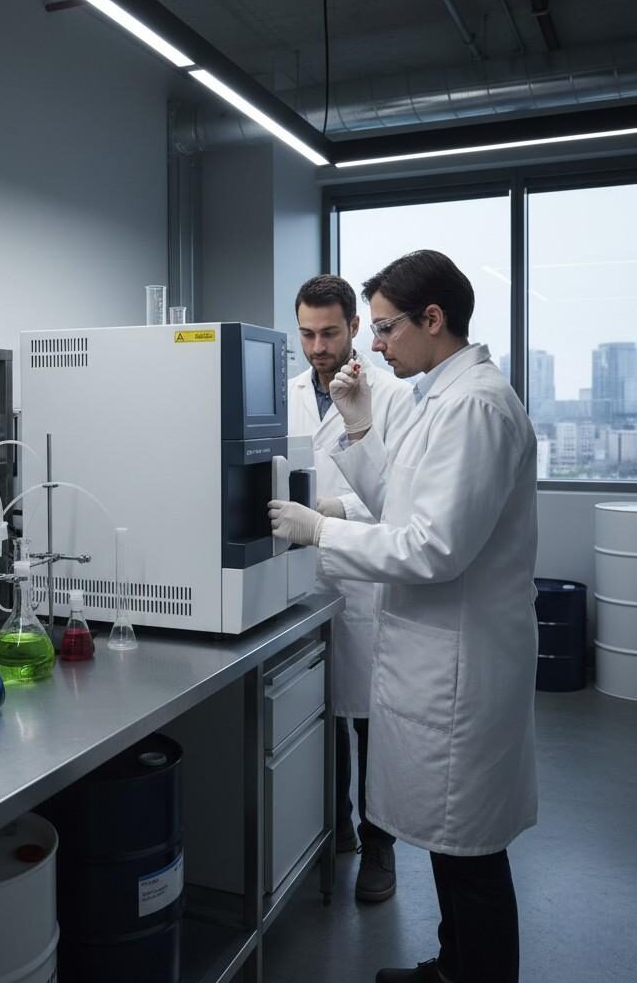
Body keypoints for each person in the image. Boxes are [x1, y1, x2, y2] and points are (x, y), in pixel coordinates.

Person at [269, 250, 538, 983]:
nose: (375, 346)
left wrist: (320, 530)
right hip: (435, 652)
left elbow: (433, 547)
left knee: (471, 850)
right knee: (455, 844)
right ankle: (453, 966)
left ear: (433, 319)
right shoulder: (438, 397)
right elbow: (400, 504)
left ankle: (473, 974)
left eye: (383, 328)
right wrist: (359, 435)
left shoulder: (475, 406)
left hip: (461, 662)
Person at [289, 274, 413, 903]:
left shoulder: (391, 396)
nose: (317, 346)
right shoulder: (282, 395)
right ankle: (333, 827)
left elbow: (400, 500)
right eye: (307, 333)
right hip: (297, 579)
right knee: (319, 713)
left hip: (362, 578)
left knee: (367, 719)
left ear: (355, 328)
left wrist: (334, 510)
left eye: (330, 332)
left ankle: (379, 847)